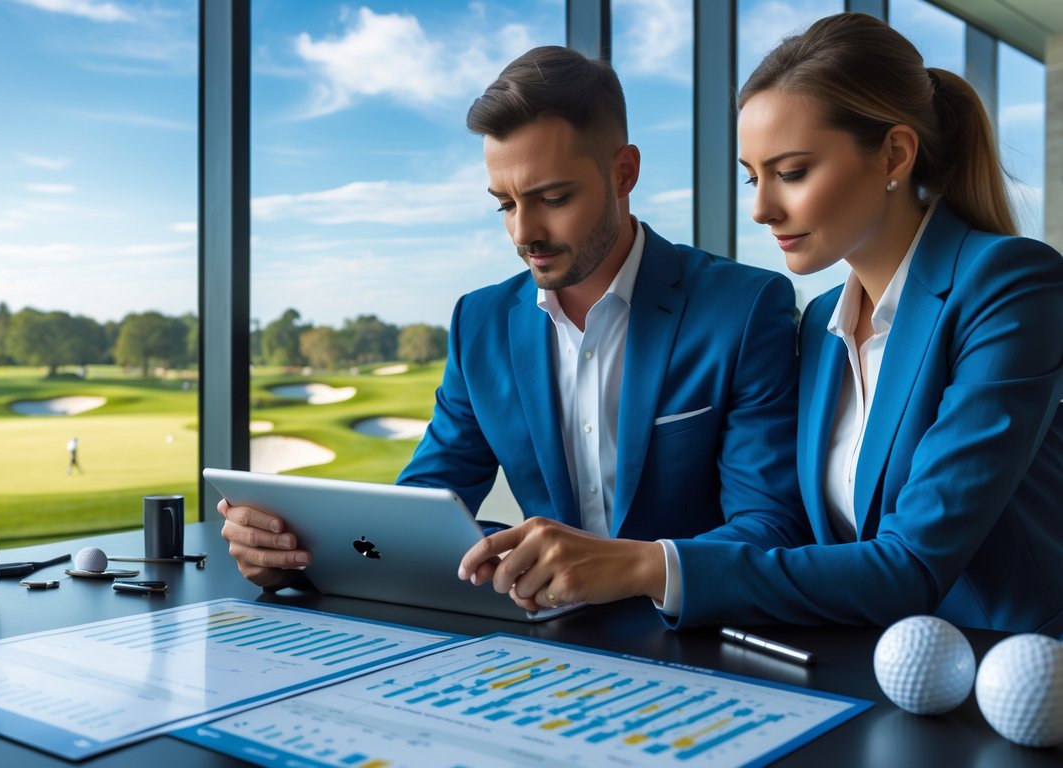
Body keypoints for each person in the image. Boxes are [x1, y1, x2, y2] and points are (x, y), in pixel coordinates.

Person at [460, 13, 1063, 635]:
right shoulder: (823, 322)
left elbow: (910, 564)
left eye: (791, 173)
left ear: (895, 154)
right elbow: (814, 541)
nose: (760, 208)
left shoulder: (1010, 285)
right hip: (860, 660)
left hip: (1013, 663)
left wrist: (644, 567)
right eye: (753, 177)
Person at [220, 46, 808, 599]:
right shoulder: (479, 322)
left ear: (623, 173)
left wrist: (628, 568)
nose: (524, 233)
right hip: (537, 637)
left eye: (552, 198)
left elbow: (769, 525)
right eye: (505, 204)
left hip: (694, 638)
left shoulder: (744, 307)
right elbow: (424, 508)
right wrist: (293, 556)